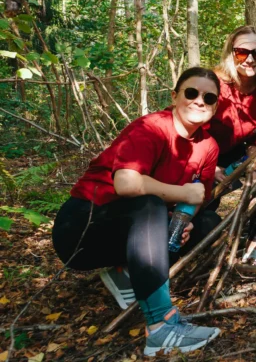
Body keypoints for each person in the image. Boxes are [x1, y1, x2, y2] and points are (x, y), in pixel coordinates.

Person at [52, 67, 223, 357]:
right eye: (191, 92)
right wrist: (183, 194)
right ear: (175, 96)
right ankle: (160, 326)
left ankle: (124, 272)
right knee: (149, 204)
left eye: (209, 97)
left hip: (131, 227)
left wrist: (184, 222)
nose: (199, 101)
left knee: (209, 222)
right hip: (82, 228)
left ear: (216, 106)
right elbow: (127, 184)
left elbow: (197, 199)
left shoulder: (208, 146)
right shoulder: (151, 127)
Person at [208, 26, 256, 262]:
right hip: (202, 153)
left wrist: (255, 162)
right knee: (205, 210)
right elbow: (191, 129)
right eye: (242, 52)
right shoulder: (214, 84)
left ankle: (255, 239)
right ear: (231, 53)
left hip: (236, 151)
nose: (250, 59)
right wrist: (210, 166)